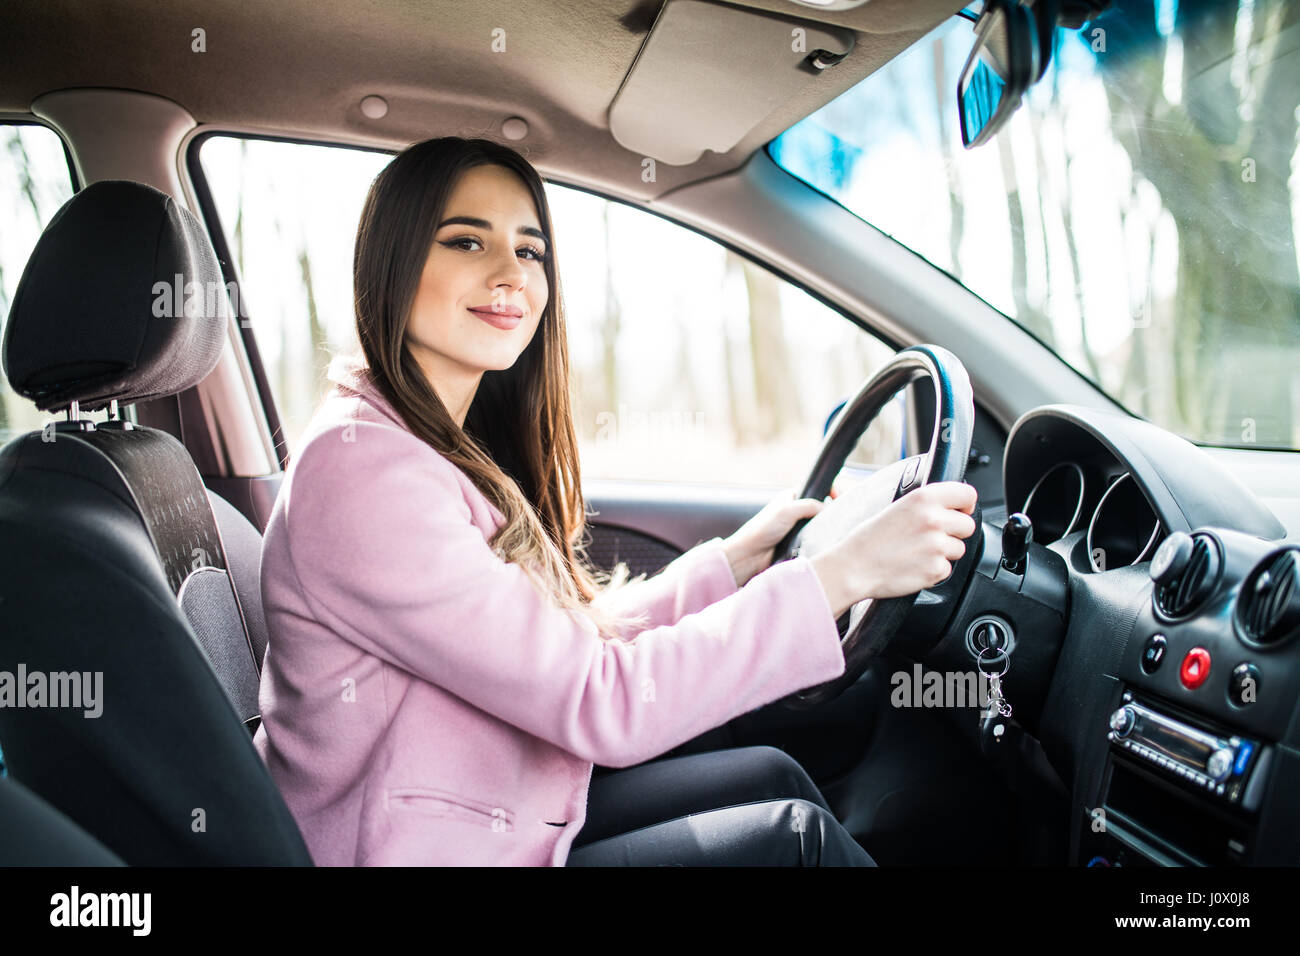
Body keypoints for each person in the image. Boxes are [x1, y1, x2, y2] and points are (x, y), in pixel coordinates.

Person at [252, 136, 979, 867]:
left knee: (771, 777)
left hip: (490, 816)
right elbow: (606, 701)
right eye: (467, 241)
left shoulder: (429, 445)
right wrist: (840, 576)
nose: (511, 273)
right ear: (393, 264)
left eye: (530, 251)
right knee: (797, 844)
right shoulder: (367, 475)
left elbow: (568, 652)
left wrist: (730, 565)